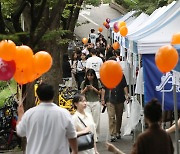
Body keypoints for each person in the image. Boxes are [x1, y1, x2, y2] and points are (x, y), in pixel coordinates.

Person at [16, 83, 78, 154]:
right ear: (53, 94)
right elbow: (72, 135)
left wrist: (20, 115)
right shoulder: (64, 113)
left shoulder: (29, 114)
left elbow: (20, 131)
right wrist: (75, 151)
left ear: (38, 96)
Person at [106, 98, 174, 154]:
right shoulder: (166, 136)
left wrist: (115, 150)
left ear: (146, 118)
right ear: (161, 117)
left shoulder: (143, 138)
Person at [81, 69, 102, 136]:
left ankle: (96, 135)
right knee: (88, 119)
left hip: (96, 102)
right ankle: (89, 134)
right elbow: (81, 93)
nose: (89, 77)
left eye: (91, 75)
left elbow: (100, 92)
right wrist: (85, 89)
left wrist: (93, 88)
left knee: (96, 120)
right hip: (87, 102)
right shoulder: (84, 83)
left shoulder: (97, 82)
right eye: (88, 75)